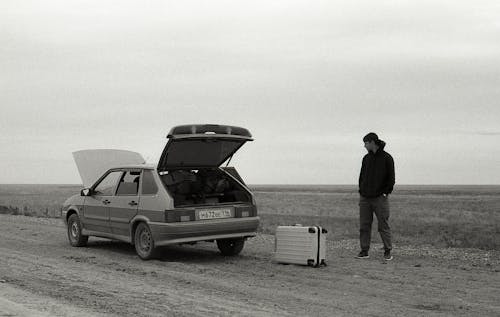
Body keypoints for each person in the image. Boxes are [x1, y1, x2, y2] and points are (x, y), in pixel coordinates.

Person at [357, 132, 395, 260]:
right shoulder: (366, 159)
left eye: (366, 143)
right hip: (365, 198)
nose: (364, 146)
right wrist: (361, 190)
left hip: (380, 198)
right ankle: (364, 250)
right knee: (364, 225)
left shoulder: (387, 158)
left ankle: (387, 251)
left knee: (383, 225)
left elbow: (391, 178)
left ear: (372, 142)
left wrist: (385, 192)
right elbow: (361, 176)